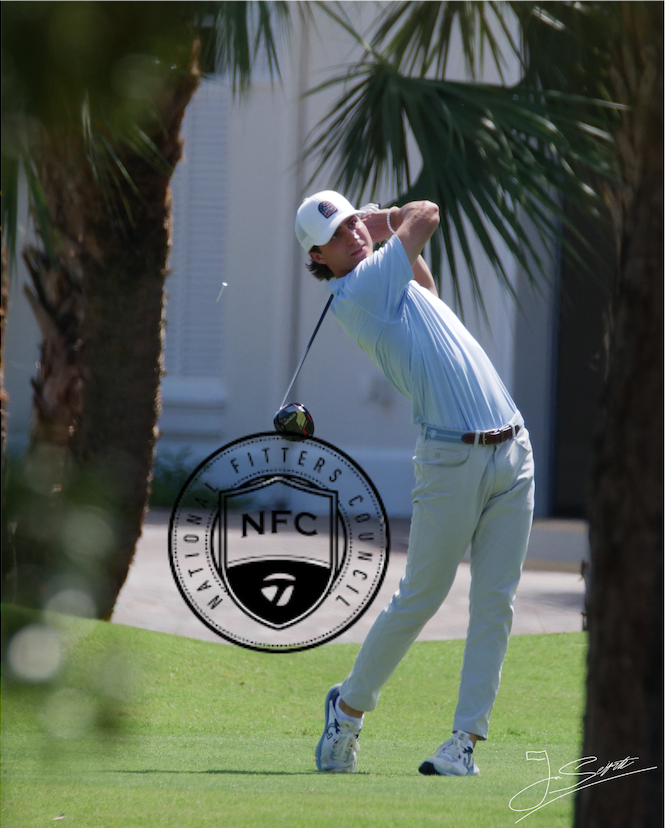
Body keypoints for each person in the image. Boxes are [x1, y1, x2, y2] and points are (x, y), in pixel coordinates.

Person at [294, 190, 535, 777]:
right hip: (451, 461)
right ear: (319, 260)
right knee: (422, 596)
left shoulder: (391, 279)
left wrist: (366, 225)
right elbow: (425, 212)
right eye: (338, 234)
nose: (353, 233)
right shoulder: (361, 289)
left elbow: (422, 279)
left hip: (513, 449)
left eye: (354, 222)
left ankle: (463, 743)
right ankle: (348, 710)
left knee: (495, 603)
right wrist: (380, 221)